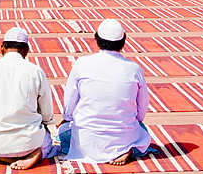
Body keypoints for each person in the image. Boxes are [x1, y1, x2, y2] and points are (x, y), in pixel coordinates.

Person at [60, 18, 152, 165]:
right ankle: (129, 149)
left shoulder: (81, 64)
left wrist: (67, 118)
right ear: (123, 42)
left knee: (62, 134)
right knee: (143, 131)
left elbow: (70, 100)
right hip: (123, 136)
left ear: (97, 40)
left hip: (86, 140)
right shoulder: (134, 69)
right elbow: (142, 108)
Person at [0, 26, 59, 170]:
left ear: (2, 48)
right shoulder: (36, 71)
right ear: (26, 50)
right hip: (30, 142)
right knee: (47, 138)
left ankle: (2, 156)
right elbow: (46, 110)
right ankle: (37, 153)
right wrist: (46, 124)